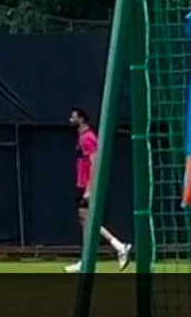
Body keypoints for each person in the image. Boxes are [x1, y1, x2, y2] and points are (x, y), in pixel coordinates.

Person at [65, 107, 133, 272]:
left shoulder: (87, 138)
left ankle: (119, 246)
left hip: (87, 186)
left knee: (88, 220)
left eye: (73, 117)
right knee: (84, 220)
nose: (70, 119)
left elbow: (95, 163)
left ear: (81, 119)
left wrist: (89, 188)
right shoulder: (82, 137)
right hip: (82, 185)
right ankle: (86, 260)